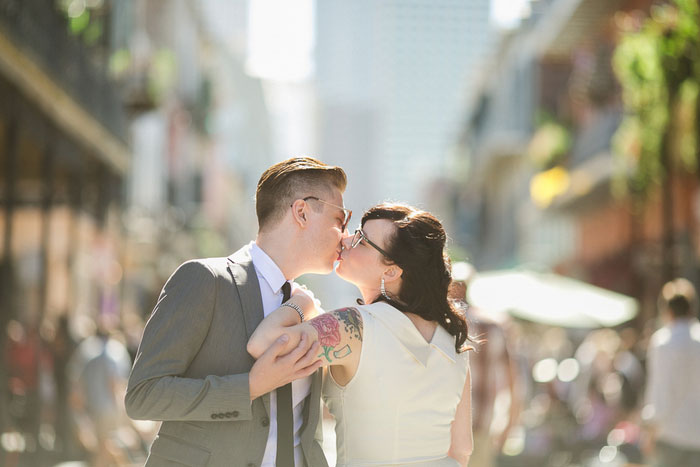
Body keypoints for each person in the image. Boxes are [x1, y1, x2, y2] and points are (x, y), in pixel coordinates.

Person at [125, 157, 350, 467]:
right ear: (301, 212)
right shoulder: (205, 280)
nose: (345, 235)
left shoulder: (308, 308)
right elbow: (143, 395)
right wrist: (249, 387)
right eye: (341, 219)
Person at [248, 203, 474, 466]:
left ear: (391, 270)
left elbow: (262, 343)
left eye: (362, 240)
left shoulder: (353, 326)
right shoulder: (454, 342)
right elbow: (462, 449)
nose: (345, 239)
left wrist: (302, 303)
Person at [448, 262, 520, 467]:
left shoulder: (443, 323)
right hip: (481, 426)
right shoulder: (494, 325)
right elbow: (513, 380)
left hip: (449, 428)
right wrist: (509, 424)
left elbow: (513, 378)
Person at [642, 277, 700, 467]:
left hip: (670, 434)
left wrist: (650, 430)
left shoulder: (663, 342)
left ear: (668, 311)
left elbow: (660, 391)